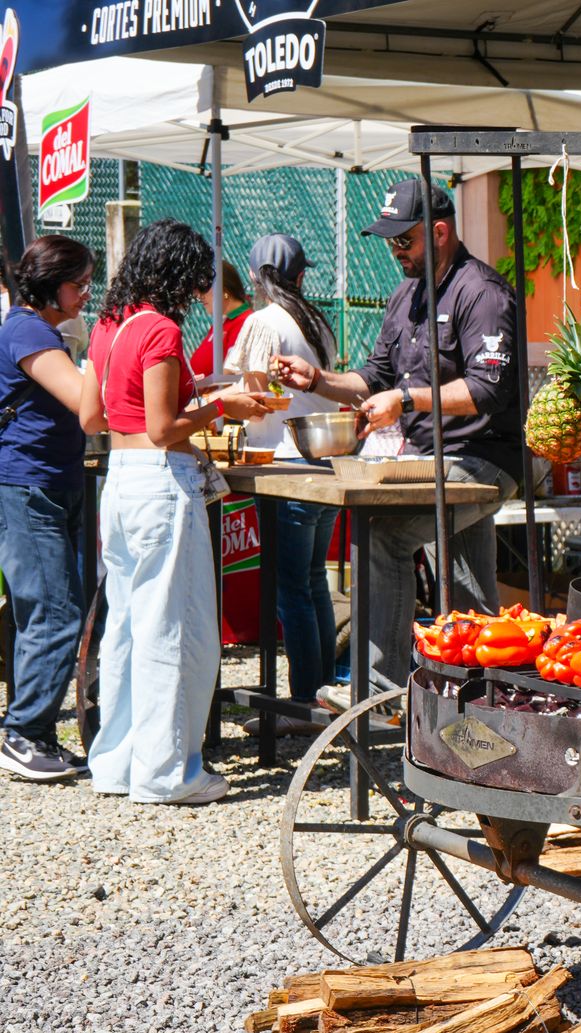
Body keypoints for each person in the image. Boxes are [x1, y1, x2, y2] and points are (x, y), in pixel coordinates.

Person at [271, 178, 521, 701]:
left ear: (440, 232)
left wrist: (406, 402)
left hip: (483, 458)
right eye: (390, 242)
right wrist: (316, 380)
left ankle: (379, 691)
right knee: (469, 594)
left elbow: (488, 389)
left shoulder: (483, 292)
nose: (395, 251)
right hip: (433, 459)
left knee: (383, 536)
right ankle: (483, 699)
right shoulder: (406, 295)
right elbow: (374, 377)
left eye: (404, 240)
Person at [86, 220, 270, 804]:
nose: (196, 293)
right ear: (175, 274)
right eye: (193, 280)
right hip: (161, 483)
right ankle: (167, 773)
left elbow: (94, 416)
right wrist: (222, 406)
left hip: (119, 480)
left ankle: (117, 764)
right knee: (174, 628)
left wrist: (195, 391)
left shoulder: (108, 326)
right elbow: (165, 429)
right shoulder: (160, 329)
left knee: (125, 626)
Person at [0, 234, 106, 781]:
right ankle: (23, 733)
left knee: (46, 610)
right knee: (55, 612)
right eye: (79, 283)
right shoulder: (27, 330)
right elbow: (84, 402)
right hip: (27, 485)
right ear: (50, 284)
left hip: (49, 482)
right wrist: (111, 357)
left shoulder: (40, 329)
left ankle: (32, 731)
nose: (86, 293)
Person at [225, 233, 339, 735]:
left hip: (283, 465)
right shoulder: (318, 321)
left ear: (254, 276)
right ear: (301, 275)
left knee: (292, 588)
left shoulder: (262, 321)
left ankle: (302, 705)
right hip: (325, 461)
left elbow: (250, 395)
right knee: (313, 582)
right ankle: (323, 697)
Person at [188, 259, 252, 382]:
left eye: (203, 288)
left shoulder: (245, 322)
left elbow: (232, 375)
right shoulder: (223, 322)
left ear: (224, 290)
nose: (198, 295)